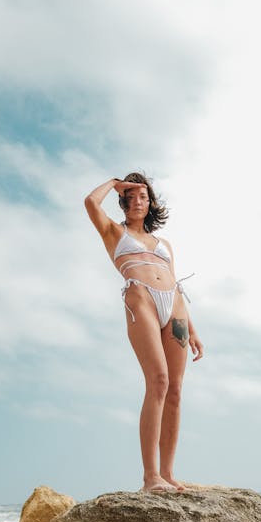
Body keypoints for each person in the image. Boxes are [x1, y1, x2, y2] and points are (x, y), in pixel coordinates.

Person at [84, 173, 204, 493]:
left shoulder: (164, 244)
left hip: (174, 306)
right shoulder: (114, 232)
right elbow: (89, 202)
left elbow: (175, 281)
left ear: (150, 203)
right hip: (141, 299)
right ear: (123, 202)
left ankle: (167, 473)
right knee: (159, 381)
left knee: (175, 391)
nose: (138, 202)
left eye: (144, 197)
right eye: (132, 197)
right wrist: (114, 182)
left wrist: (191, 329)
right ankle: (150, 477)